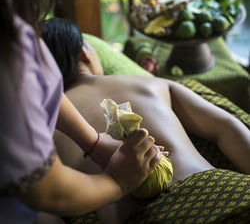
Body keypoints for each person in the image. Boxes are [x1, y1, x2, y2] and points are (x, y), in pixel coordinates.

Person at [0, 0, 162, 223]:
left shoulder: (9, 12)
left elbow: (31, 87)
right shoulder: (9, 57)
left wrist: (94, 142)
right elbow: (47, 192)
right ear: (87, 55)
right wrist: (118, 182)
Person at [41, 17, 250, 224]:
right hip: (222, 190)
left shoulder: (41, 130)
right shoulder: (150, 84)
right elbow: (226, 126)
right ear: (85, 52)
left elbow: (42, 210)